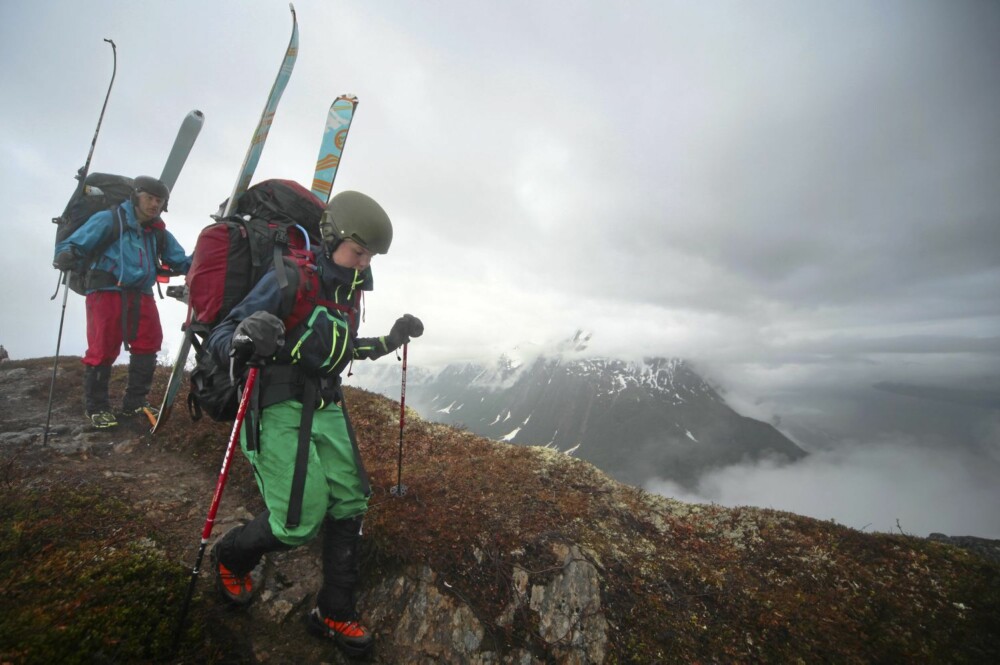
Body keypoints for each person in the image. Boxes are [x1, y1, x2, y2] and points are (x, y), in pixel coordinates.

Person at [206, 190, 423, 657]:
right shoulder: (291, 277)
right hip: (276, 402)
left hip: (325, 401)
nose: (364, 263)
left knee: (350, 499)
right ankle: (231, 555)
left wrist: (391, 339)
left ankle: (335, 612)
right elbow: (224, 334)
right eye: (358, 251)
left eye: (370, 256)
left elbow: (341, 350)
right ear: (333, 236)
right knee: (298, 521)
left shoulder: (351, 290)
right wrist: (247, 335)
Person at [53, 176, 191, 429]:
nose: (154, 205)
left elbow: (181, 260)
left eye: (159, 201)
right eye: (149, 198)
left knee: (149, 343)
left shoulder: (158, 231)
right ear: (136, 196)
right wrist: (68, 253)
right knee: (103, 347)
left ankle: (135, 402)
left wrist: (210, 260)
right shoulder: (109, 219)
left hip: (141, 293)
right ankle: (97, 408)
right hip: (105, 289)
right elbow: (75, 243)